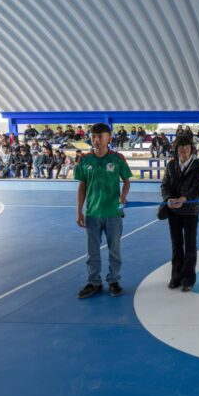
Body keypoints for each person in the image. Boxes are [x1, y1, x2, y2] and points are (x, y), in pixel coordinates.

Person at [75, 123, 132, 299]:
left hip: (114, 213)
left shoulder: (118, 159)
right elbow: (82, 186)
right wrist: (79, 212)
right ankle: (94, 282)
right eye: (94, 136)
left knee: (114, 250)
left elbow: (127, 181)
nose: (96, 140)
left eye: (100, 136)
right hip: (92, 214)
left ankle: (114, 281)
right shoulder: (84, 160)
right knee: (92, 251)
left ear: (109, 138)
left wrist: (122, 198)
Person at [161, 136, 199, 292]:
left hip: (190, 211)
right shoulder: (171, 165)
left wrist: (184, 199)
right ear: (176, 148)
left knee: (190, 244)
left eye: (187, 146)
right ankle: (175, 277)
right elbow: (164, 185)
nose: (184, 149)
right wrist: (168, 199)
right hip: (173, 210)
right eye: (180, 146)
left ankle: (188, 279)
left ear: (191, 148)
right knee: (176, 244)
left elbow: (196, 189)